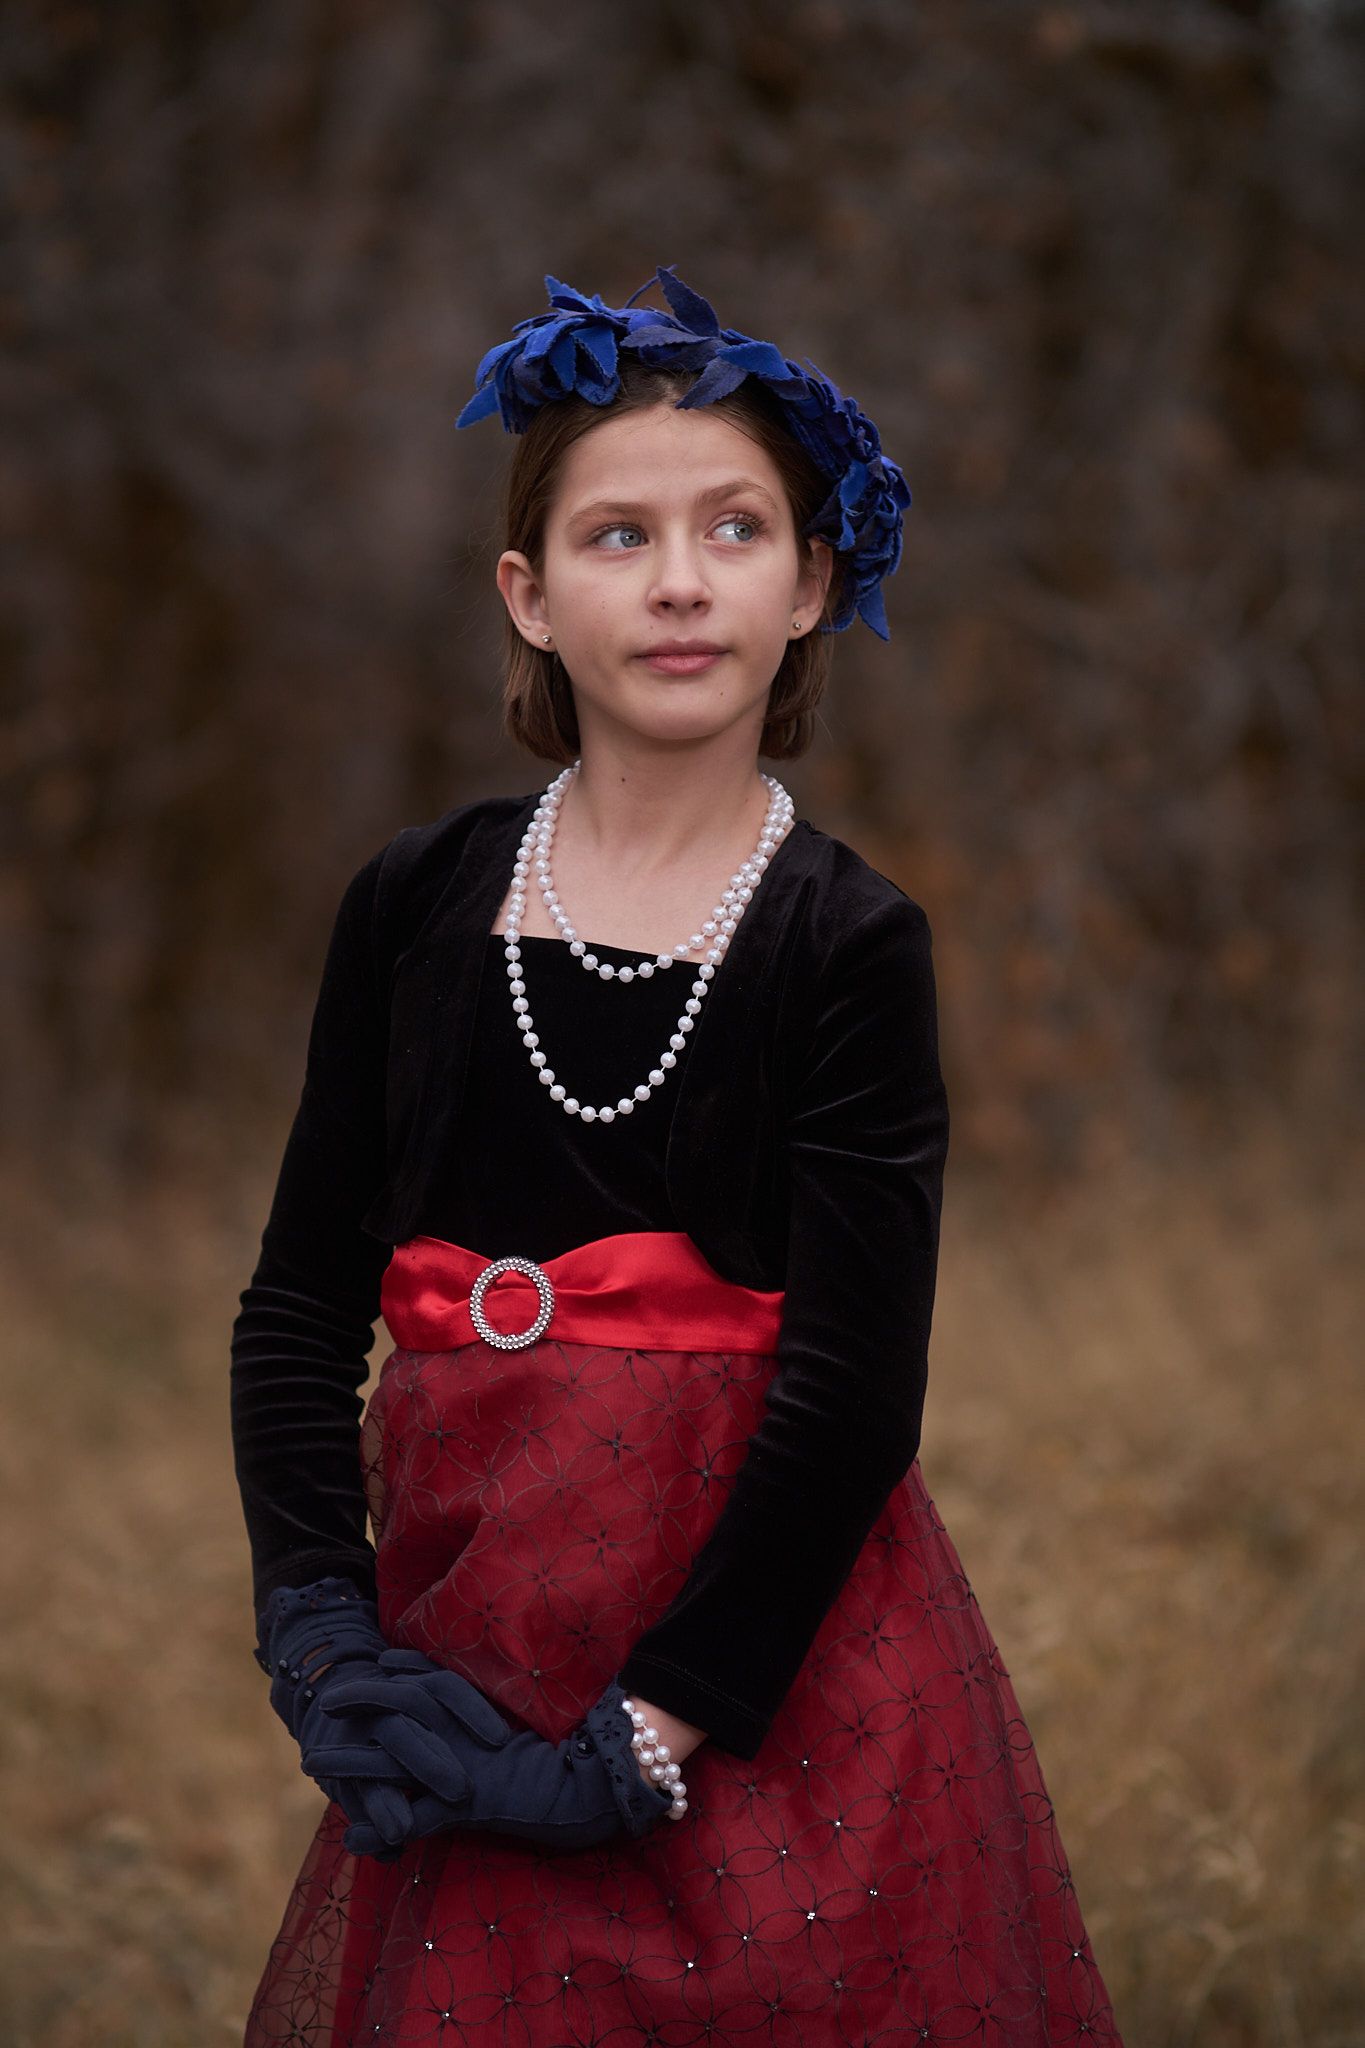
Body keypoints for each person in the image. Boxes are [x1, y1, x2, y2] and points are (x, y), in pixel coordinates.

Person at [230, 267, 1125, 2045]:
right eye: (615, 535)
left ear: (808, 589)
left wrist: (654, 1728)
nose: (679, 577)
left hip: (761, 1675)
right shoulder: (416, 906)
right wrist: (323, 1639)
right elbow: (295, 1306)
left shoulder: (844, 941)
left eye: (733, 529)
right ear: (531, 595)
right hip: (461, 1656)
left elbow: (857, 1391)